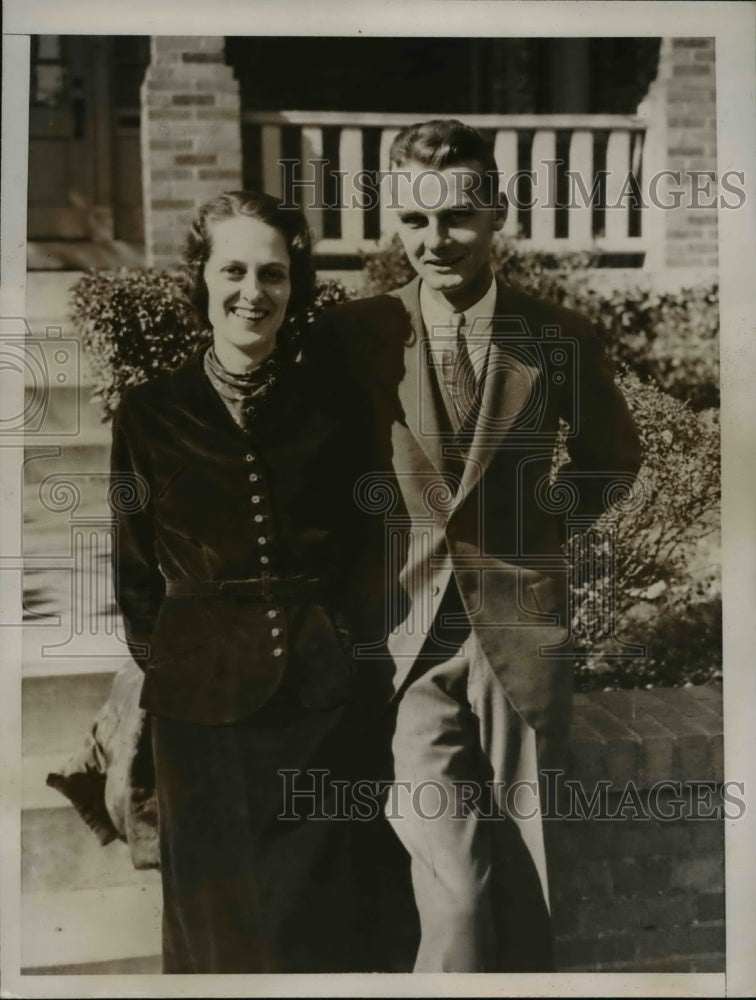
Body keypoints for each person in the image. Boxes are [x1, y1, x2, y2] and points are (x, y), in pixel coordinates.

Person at [307, 119, 642, 972]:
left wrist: (539, 530)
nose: (434, 240)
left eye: (456, 217)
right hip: (404, 643)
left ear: (495, 213)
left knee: (531, 875)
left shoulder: (557, 331)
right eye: (415, 221)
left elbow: (613, 457)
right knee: (452, 886)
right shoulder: (358, 336)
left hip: (519, 640)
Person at [109, 190, 368, 973]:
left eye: (273, 274)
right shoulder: (148, 413)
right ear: (202, 278)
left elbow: (360, 546)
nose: (252, 292)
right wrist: (172, 661)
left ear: (295, 287)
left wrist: (338, 644)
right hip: (197, 711)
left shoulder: (334, 409)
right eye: (233, 270)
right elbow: (133, 565)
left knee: (310, 921)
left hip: (314, 701)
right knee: (212, 923)